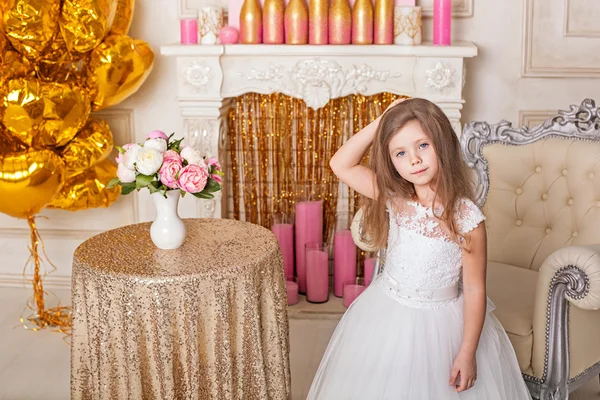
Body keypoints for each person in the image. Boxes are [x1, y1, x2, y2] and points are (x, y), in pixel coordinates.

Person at [307, 98, 532, 399]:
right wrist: (383, 120)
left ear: (442, 143)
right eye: (401, 152)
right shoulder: (395, 198)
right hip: (387, 314)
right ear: (392, 161)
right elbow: (340, 164)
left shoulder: (466, 218)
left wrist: (467, 353)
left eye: (423, 145)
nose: (414, 159)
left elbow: (476, 289)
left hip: (441, 326)